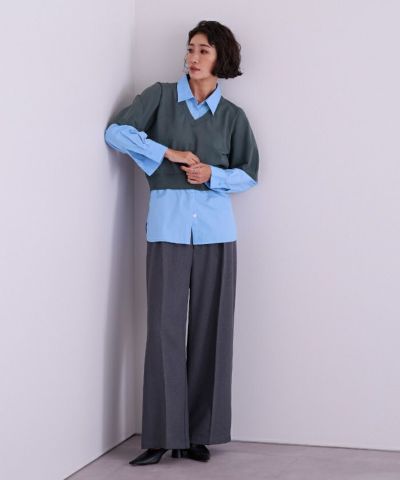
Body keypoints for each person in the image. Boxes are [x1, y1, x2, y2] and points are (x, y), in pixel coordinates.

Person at [104, 20, 259, 466]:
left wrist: (213, 175)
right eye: (190, 48)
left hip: (216, 234)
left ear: (221, 58)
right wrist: (165, 152)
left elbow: (249, 173)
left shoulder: (233, 117)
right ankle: (160, 435)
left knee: (212, 330)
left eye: (204, 50)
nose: (193, 57)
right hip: (167, 230)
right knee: (164, 329)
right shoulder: (158, 97)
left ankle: (197, 434)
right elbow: (116, 133)